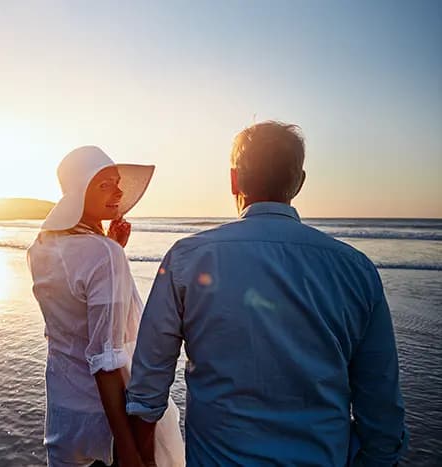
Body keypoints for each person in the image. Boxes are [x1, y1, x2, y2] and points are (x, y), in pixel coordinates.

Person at [126, 121, 408, 466]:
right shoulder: (356, 269)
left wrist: (140, 459)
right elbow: (381, 404)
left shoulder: (188, 258)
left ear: (234, 179)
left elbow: (147, 388)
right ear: (299, 182)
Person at [28, 146, 183, 467]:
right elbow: (105, 359)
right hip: (108, 419)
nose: (119, 191)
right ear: (80, 193)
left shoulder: (39, 249)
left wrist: (112, 247)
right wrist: (128, 449)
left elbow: (71, 320)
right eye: (105, 184)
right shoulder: (102, 255)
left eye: (117, 182)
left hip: (65, 414)